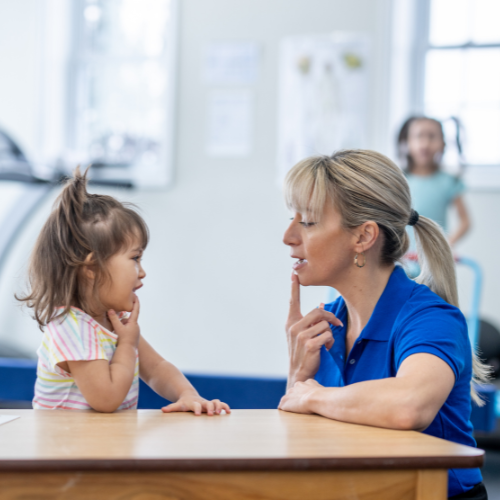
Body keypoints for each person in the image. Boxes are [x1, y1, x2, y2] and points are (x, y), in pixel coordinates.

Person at [278, 151, 489, 499]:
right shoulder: (323, 325)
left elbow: (409, 405)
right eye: (292, 218)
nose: (288, 236)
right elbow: (301, 442)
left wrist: (313, 394)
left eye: (309, 222)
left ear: (363, 237)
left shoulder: (430, 319)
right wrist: (296, 377)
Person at [17, 168, 230, 415]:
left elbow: (158, 368)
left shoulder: (112, 323)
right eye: (135, 258)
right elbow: (107, 399)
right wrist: (127, 345)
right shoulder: (72, 327)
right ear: (92, 268)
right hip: (65, 452)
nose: (142, 272)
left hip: (101, 447)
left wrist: (188, 395)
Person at [398, 116, 470, 247]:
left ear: (443, 143)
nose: (425, 144)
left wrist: (447, 245)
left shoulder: (449, 182)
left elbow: (465, 221)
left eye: (431, 136)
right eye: (419, 136)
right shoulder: (399, 180)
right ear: (407, 142)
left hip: (436, 260)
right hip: (404, 258)